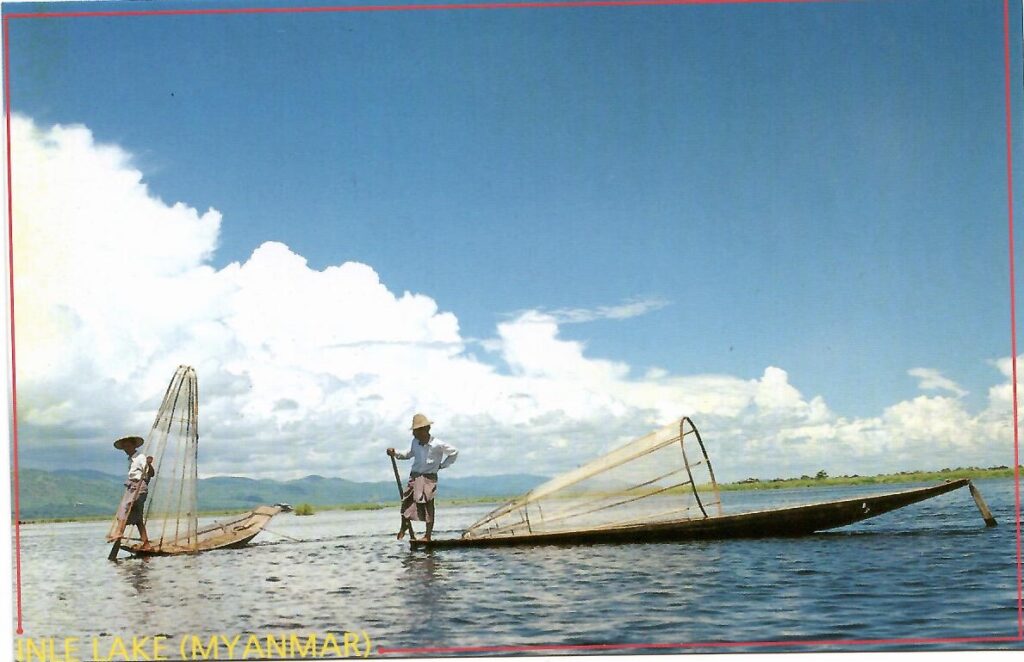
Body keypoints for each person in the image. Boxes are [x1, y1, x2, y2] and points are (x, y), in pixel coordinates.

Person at [387, 413, 458, 541]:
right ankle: (404, 526)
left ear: (426, 430)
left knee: (428, 504)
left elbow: (454, 452)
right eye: (414, 431)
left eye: (417, 431)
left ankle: (427, 535)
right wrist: (395, 453)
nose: (415, 434)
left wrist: (442, 466)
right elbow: (408, 454)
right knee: (406, 501)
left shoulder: (437, 444)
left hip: (429, 478)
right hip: (415, 476)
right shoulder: (415, 442)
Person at [113, 436, 155, 549]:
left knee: (125, 506)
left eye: (128, 446)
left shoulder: (140, 457)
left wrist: (149, 464)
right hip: (131, 487)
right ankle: (146, 543)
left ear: (134, 446)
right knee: (137, 517)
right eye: (124, 447)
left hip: (139, 487)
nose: (126, 449)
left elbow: (151, 473)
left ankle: (119, 533)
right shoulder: (131, 460)